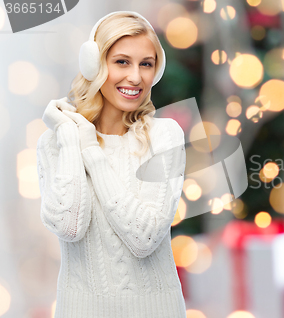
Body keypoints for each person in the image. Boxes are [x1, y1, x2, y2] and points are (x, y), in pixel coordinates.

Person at [36, 11, 187, 317]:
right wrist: (69, 136)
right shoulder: (55, 143)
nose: (135, 77)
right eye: (121, 61)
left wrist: (92, 151)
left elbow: (144, 236)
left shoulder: (164, 136)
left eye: (146, 64)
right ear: (94, 65)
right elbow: (69, 225)